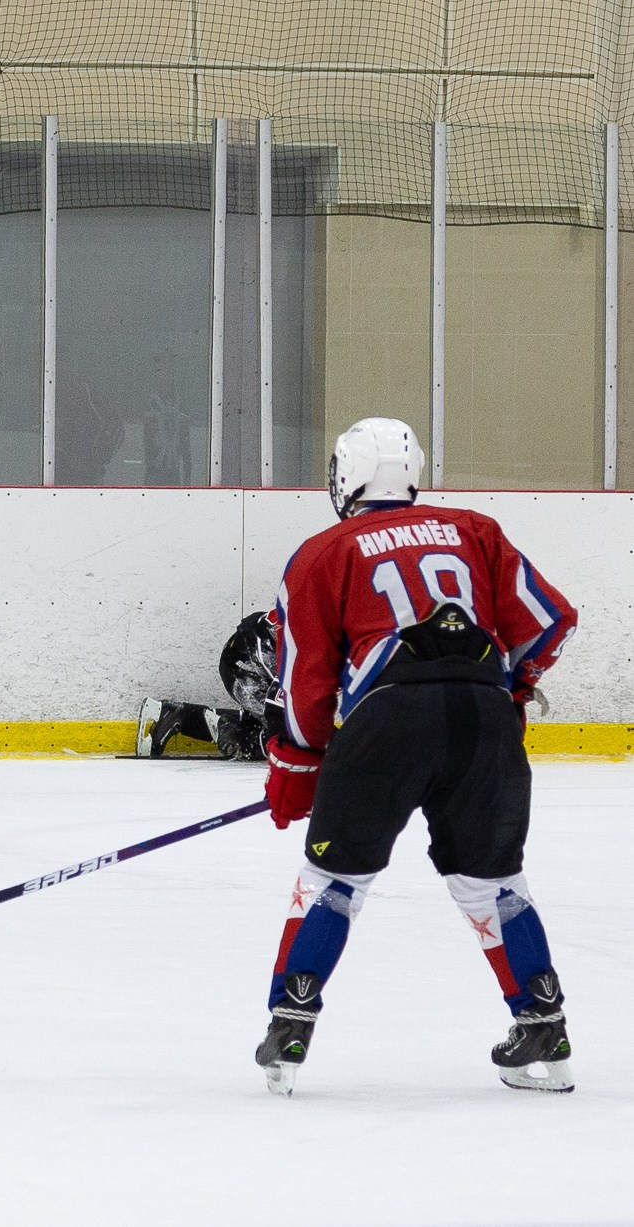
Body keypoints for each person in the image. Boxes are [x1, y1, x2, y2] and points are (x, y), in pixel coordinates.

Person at [254, 417, 578, 1095]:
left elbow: (306, 677)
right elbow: (549, 619)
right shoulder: (475, 530)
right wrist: (510, 689)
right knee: (494, 883)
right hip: (483, 716)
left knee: (332, 881)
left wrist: (297, 764)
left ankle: (292, 1020)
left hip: (388, 718)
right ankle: (542, 1019)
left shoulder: (322, 551)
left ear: (344, 477)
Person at [137, 612, 275, 760]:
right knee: (283, 738)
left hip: (249, 658)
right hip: (244, 665)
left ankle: (176, 715)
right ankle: (236, 736)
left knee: (273, 726)